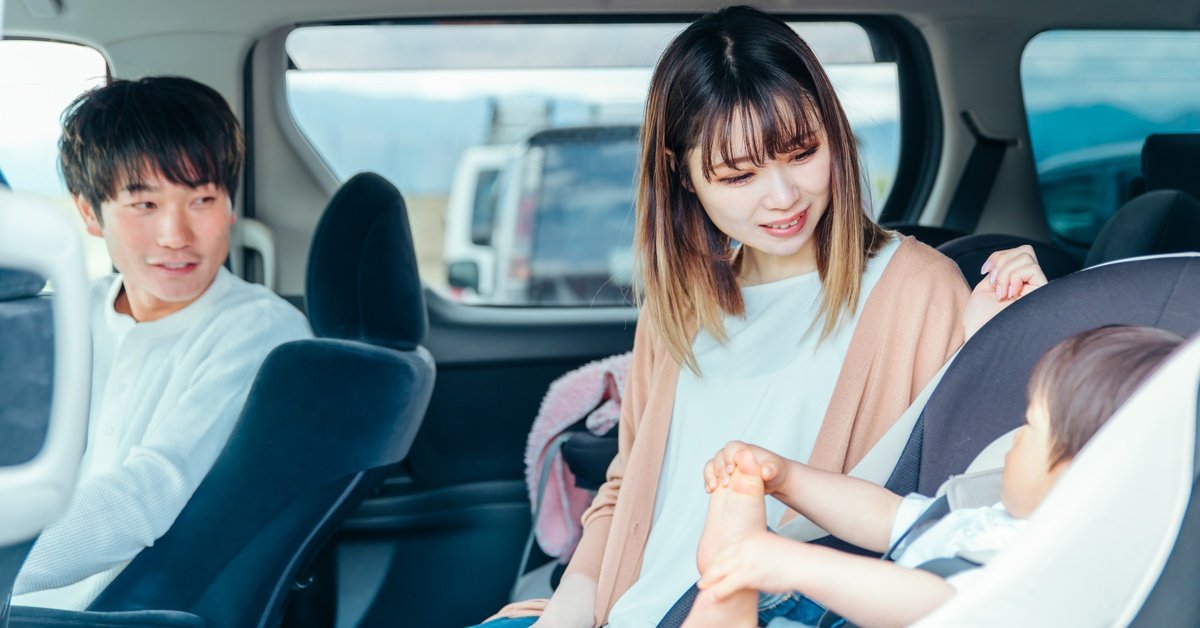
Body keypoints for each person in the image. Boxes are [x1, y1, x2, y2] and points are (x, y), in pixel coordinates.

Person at [479, 6, 1043, 627]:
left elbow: (967, 495)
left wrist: (1007, 334)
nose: (781, 197)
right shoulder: (678, 307)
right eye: (738, 174)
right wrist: (566, 613)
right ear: (683, 175)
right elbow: (624, 491)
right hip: (623, 607)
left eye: (802, 153)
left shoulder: (917, 288)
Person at [12, 76, 312, 610]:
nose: (176, 234)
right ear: (89, 213)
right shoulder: (62, 315)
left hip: (112, 612)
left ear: (229, 206)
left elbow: (146, 493)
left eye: (201, 199)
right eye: (144, 205)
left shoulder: (261, 332)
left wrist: (5, 565)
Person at [685, 325, 1184, 628]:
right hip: (840, 614)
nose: (1014, 437)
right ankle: (743, 568)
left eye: (1031, 425)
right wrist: (789, 478)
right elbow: (884, 516)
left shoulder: (1056, 572)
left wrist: (791, 563)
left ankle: (744, 581)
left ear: (1087, 478)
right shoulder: (989, 519)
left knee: (785, 593)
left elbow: (936, 605)